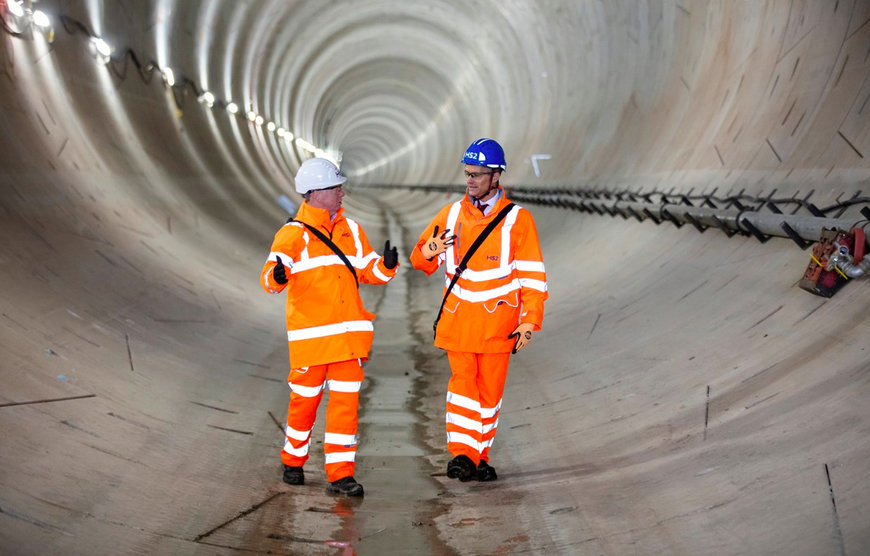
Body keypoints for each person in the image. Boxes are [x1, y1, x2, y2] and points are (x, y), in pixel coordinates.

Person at [409, 138, 548, 482]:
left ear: (496, 176)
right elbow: (419, 260)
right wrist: (431, 248)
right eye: (467, 174)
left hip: (498, 325)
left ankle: (478, 455)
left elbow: (532, 277)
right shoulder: (451, 215)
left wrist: (530, 321)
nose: (470, 180)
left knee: (489, 396)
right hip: (458, 322)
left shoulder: (518, 220)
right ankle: (462, 455)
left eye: (478, 174)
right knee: (463, 389)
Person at [260, 157, 399, 497]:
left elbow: (369, 271)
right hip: (312, 342)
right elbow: (270, 276)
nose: (342, 193)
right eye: (336, 188)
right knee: (304, 404)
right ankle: (293, 461)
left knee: (345, 409)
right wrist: (277, 277)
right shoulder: (292, 235)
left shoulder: (351, 230)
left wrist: (387, 266)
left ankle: (340, 474)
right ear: (316, 193)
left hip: (348, 342)